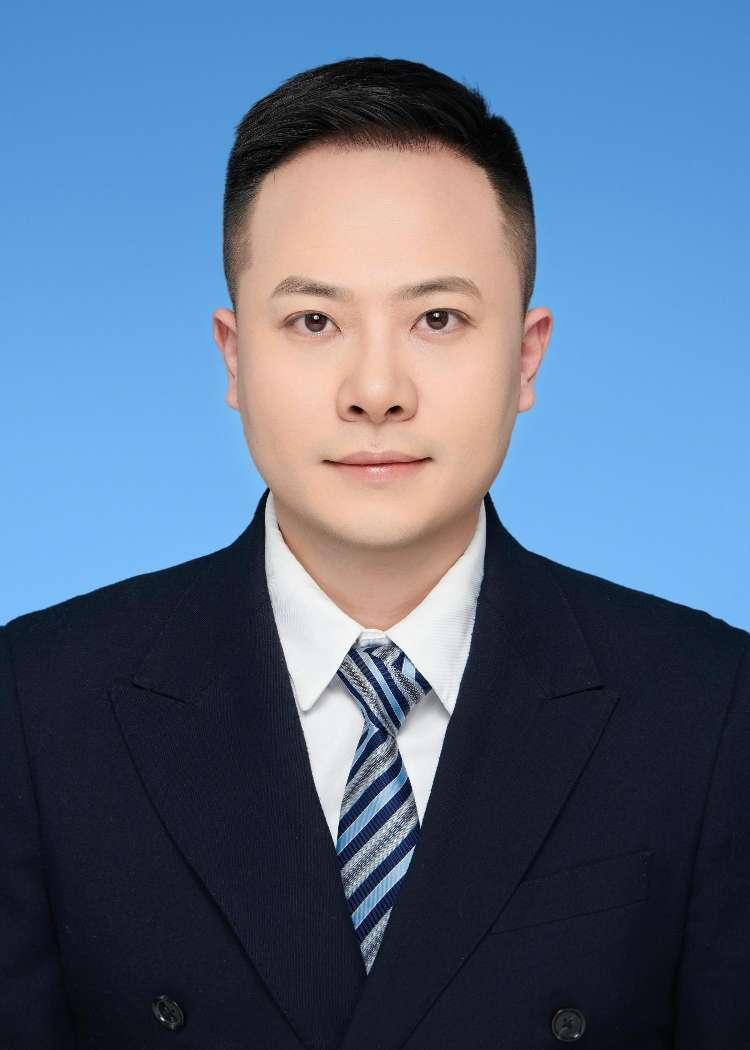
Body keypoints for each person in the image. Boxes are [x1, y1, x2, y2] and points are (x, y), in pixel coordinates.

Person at [1, 55, 748, 1050]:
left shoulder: (709, 710)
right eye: (314, 321)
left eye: (438, 319)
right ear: (235, 355)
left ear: (526, 357)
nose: (376, 391)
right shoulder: (38, 706)